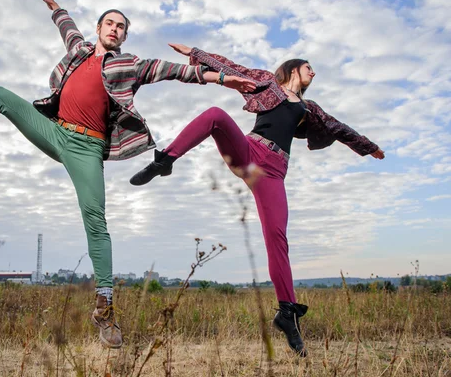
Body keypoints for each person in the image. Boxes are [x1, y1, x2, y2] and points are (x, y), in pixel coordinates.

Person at [0, 0, 256, 349]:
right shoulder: (78, 51)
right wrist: (56, 8)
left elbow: (178, 72)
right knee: (1, 96)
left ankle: (105, 311)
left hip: (87, 147)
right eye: (110, 23)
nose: (115, 29)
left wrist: (223, 79)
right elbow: (66, 26)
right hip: (55, 130)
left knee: (96, 221)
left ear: (124, 36)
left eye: (121, 26)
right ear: (99, 28)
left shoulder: (131, 64)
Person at [130, 44, 385, 356]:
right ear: (294, 68)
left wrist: (368, 146)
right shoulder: (267, 83)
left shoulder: (309, 108)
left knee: (277, 239)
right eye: (309, 68)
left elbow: (337, 128)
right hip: (250, 154)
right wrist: (194, 52)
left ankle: (287, 314)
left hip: (273, 173)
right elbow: (232, 67)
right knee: (215, 115)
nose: (313, 73)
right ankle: (165, 160)